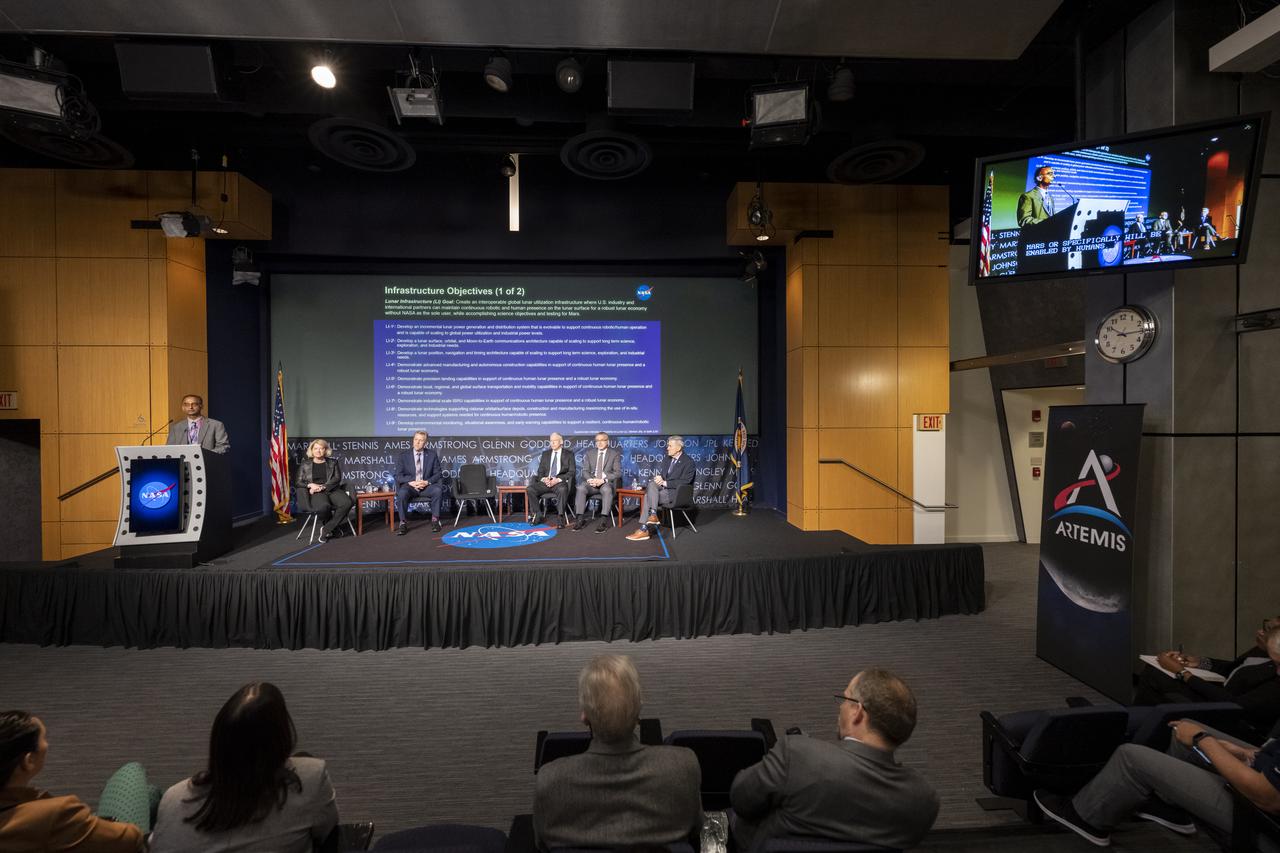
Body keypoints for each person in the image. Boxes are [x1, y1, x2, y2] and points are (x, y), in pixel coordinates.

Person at [729, 668, 939, 852]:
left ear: (858, 712)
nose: (840, 707)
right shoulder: (924, 800)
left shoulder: (797, 754)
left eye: (845, 699)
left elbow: (741, 799)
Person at [532, 655, 701, 849]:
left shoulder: (551, 780)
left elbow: (541, 844)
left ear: (584, 716)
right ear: (639, 709)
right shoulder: (683, 767)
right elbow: (695, 830)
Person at [1033, 716, 1280, 848]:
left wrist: (1204, 740)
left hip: (1260, 820)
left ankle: (1086, 817)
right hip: (1261, 777)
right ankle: (1168, 808)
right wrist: (1244, 753)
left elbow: (1266, 796)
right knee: (1183, 729)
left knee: (1131, 757)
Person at [150, 682, 338, 853]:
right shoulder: (310, 780)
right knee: (304, 760)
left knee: (145, 786)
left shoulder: (172, 799)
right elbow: (327, 831)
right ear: (279, 739)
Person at [0, 710, 145, 851]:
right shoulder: (56, 815)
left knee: (150, 793)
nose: (47, 744)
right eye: (44, 738)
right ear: (29, 760)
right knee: (133, 772)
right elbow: (131, 839)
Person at [1133, 622, 1280, 741]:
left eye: (1269, 630)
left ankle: (1143, 732)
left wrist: (1183, 673)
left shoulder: (1275, 678)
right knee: (1155, 670)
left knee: (1156, 678)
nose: (1261, 632)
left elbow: (1235, 704)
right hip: (1218, 693)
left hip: (1226, 713)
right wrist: (1200, 662)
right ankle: (1141, 724)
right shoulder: (1262, 652)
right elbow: (1232, 667)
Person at [626, 436, 695, 542]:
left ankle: (644, 529)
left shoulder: (688, 462)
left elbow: (686, 481)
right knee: (652, 484)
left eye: (670, 446)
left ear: (679, 447)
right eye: (668, 445)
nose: (667, 448)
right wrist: (660, 478)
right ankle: (653, 514)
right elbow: (664, 476)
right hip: (664, 489)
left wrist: (665, 482)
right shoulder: (667, 459)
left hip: (677, 493)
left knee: (647, 496)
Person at [295, 439, 353, 542]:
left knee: (347, 503)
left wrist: (323, 486)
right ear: (312, 450)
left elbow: (337, 479)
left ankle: (326, 529)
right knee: (323, 507)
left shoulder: (333, 462)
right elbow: (298, 482)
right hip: (317, 492)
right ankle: (333, 527)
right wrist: (310, 485)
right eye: (316, 448)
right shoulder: (305, 464)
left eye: (321, 448)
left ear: (325, 450)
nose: (318, 451)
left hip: (331, 489)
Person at [393, 430, 444, 535]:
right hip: (410, 487)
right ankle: (403, 522)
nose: (417, 442)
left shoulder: (432, 455)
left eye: (420, 440)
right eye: (415, 439)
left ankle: (435, 520)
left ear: (425, 443)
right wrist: (411, 482)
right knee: (402, 493)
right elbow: (398, 476)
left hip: (425, 487)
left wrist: (427, 482)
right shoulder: (404, 455)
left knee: (437, 490)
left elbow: (438, 474)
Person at [573, 432, 621, 534]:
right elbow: (585, 471)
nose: (599, 442)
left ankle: (603, 521)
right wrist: (591, 480)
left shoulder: (614, 454)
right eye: (597, 440)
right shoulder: (590, 453)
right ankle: (580, 519)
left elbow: (617, 473)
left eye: (602, 440)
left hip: (605, 483)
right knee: (581, 488)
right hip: (592, 483)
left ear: (607, 441)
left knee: (607, 490)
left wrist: (603, 480)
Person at [527, 432, 576, 528]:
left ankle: (560, 516)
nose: (552, 443)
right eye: (551, 441)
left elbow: (572, 472)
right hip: (546, 482)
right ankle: (538, 515)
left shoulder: (569, 454)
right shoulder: (546, 454)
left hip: (559, 483)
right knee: (530, 489)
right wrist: (544, 479)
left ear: (561, 441)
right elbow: (540, 471)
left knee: (562, 489)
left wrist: (557, 480)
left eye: (555, 441)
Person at [166, 394, 230, 454]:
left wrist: (205, 455)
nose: (190, 407)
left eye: (194, 404)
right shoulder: (176, 428)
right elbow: (169, 449)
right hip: (182, 464)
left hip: (207, 463)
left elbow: (223, 446)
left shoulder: (216, 425)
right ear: (183, 407)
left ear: (201, 406)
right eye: (187, 404)